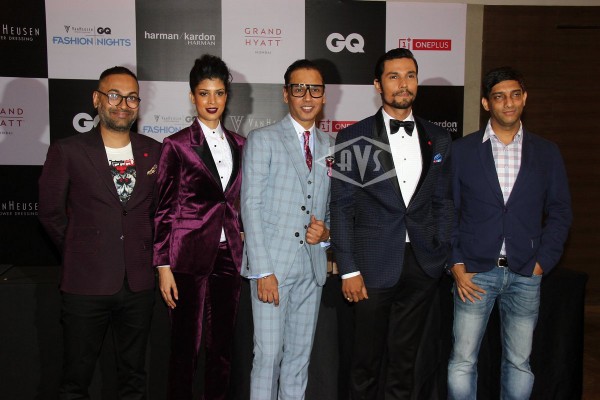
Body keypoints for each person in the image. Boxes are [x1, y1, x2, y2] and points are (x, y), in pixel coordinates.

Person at [329, 47, 453, 399]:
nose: (403, 84)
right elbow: (341, 207)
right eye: (394, 76)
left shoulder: (438, 137)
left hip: (422, 265)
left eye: (410, 75)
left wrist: (441, 251)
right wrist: (348, 269)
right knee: (364, 363)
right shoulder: (353, 137)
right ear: (377, 85)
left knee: (405, 363)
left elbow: (443, 201)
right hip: (370, 267)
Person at [447, 66, 572, 399]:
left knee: (519, 362)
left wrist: (542, 262)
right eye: (499, 97)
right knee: (462, 361)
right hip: (474, 274)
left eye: (515, 95)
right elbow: (448, 211)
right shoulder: (462, 151)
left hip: (526, 272)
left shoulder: (546, 152)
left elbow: (560, 211)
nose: (509, 103)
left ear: (524, 98)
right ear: (486, 103)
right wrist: (456, 263)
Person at [38, 66, 160, 399]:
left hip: (138, 285)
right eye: (114, 95)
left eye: (132, 97)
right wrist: (81, 251)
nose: (123, 104)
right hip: (85, 284)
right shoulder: (68, 150)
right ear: (97, 99)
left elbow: (159, 212)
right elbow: (50, 213)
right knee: (76, 379)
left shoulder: (154, 150)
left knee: (134, 378)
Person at [153, 54, 245, 400]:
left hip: (229, 256)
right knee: (184, 347)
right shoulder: (176, 145)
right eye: (204, 93)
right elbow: (163, 209)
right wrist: (163, 265)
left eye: (219, 93)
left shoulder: (240, 144)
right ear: (192, 96)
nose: (212, 101)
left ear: (226, 96)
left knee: (222, 347)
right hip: (187, 258)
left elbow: (237, 202)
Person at [241, 59, 333, 400]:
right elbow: (250, 207)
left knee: (298, 359)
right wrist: (262, 271)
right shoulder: (262, 139)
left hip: (312, 268)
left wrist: (326, 235)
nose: (307, 97)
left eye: (315, 89)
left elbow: (331, 208)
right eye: (299, 89)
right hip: (272, 270)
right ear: (286, 94)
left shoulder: (331, 145)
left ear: (324, 96)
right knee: (267, 356)